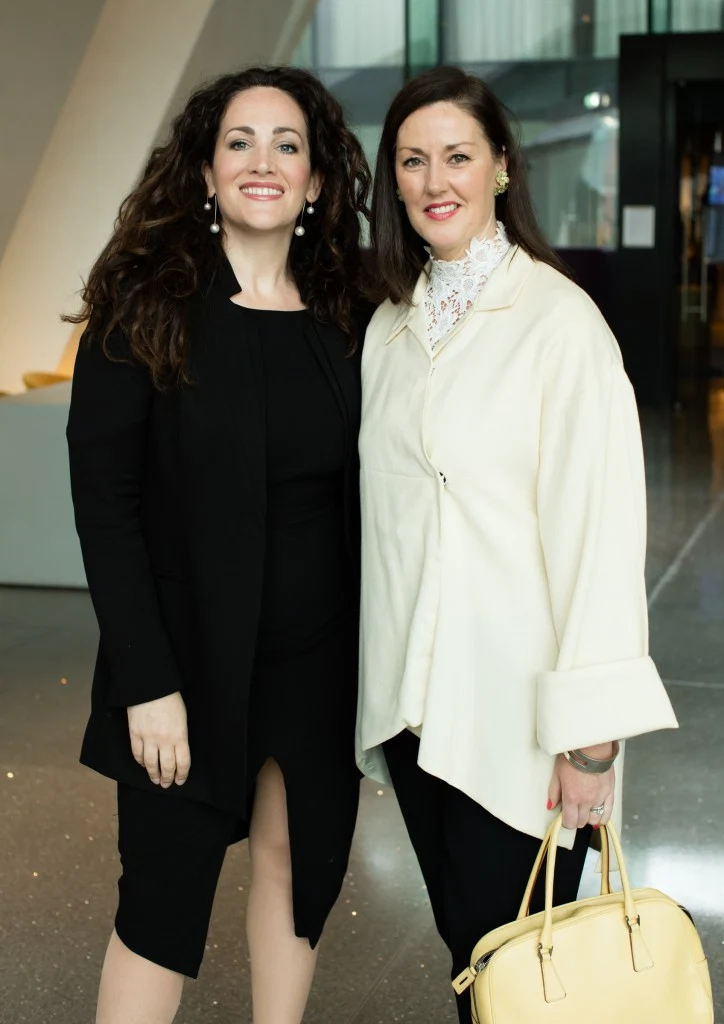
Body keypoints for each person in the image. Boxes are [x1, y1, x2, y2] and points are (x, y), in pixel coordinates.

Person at [355, 66, 678, 1023]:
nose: (434, 180)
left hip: (523, 723)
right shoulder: (389, 326)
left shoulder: (561, 323)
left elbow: (600, 538)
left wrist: (592, 743)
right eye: (412, 161)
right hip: (417, 714)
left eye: (457, 156)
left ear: (500, 166)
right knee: (475, 962)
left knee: (533, 976)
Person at [65, 66, 371, 1024]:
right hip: (186, 660)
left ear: (316, 181)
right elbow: (104, 505)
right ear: (204, 171)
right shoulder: (143, 307)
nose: (262, 161)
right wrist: (148, 683)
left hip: (320, 660)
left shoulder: (351, 315)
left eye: (288, 144)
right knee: (161, 899)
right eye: (239, 141)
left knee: (297, 870)